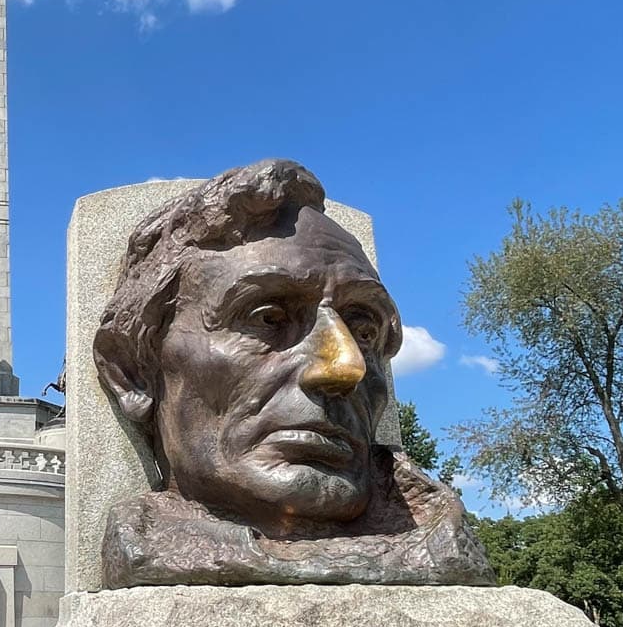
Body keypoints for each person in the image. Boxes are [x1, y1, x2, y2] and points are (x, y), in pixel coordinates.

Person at [92, 158, 493, 588]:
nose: (345, 367)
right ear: (131, 373)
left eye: (363, 329)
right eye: (268, 318)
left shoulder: (439, 538)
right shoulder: (146, 544)